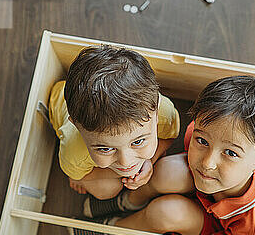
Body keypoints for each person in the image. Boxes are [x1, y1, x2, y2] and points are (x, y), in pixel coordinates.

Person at [69, 75, 255, 235]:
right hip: (207, 190)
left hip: (215, 226)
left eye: (231, 153)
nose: (207, 162)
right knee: (166, 171)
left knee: (164, 213)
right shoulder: (208, 129)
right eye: (202, 142)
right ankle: (129, 200)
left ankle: (118, 228)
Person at [48, 45, 180, 200]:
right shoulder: (74, 151)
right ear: (76, 126)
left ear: (156, 114)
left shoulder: (164, 112)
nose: (126, 161)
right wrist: (78, 176)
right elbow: (77, 173)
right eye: (105, 149)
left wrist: (150, 160)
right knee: (105, 190)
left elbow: (170, 136)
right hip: (59, 101)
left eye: (138, 141)